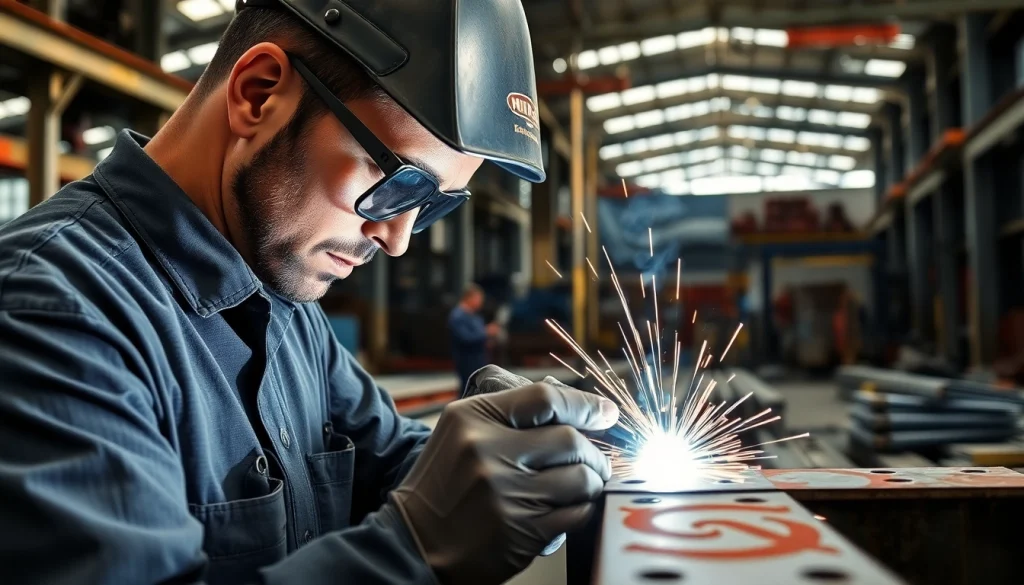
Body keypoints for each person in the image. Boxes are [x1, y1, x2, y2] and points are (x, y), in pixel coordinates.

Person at [0, 2, 620, 585]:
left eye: (434, 205)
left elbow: (388, 458)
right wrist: (415, 550)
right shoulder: (50, 316)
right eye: (399, 181)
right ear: (258, 93)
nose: (396, 239)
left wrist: (506, 460)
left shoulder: (286, 304)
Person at [449, 284, 501, 391]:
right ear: (470, 298)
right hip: (467, 360)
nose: (481, 302)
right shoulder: (458, 316)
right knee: (468, 389)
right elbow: (465, 338)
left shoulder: (475, 316)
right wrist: (486, 332)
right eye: (479, 299)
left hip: (479, 359)